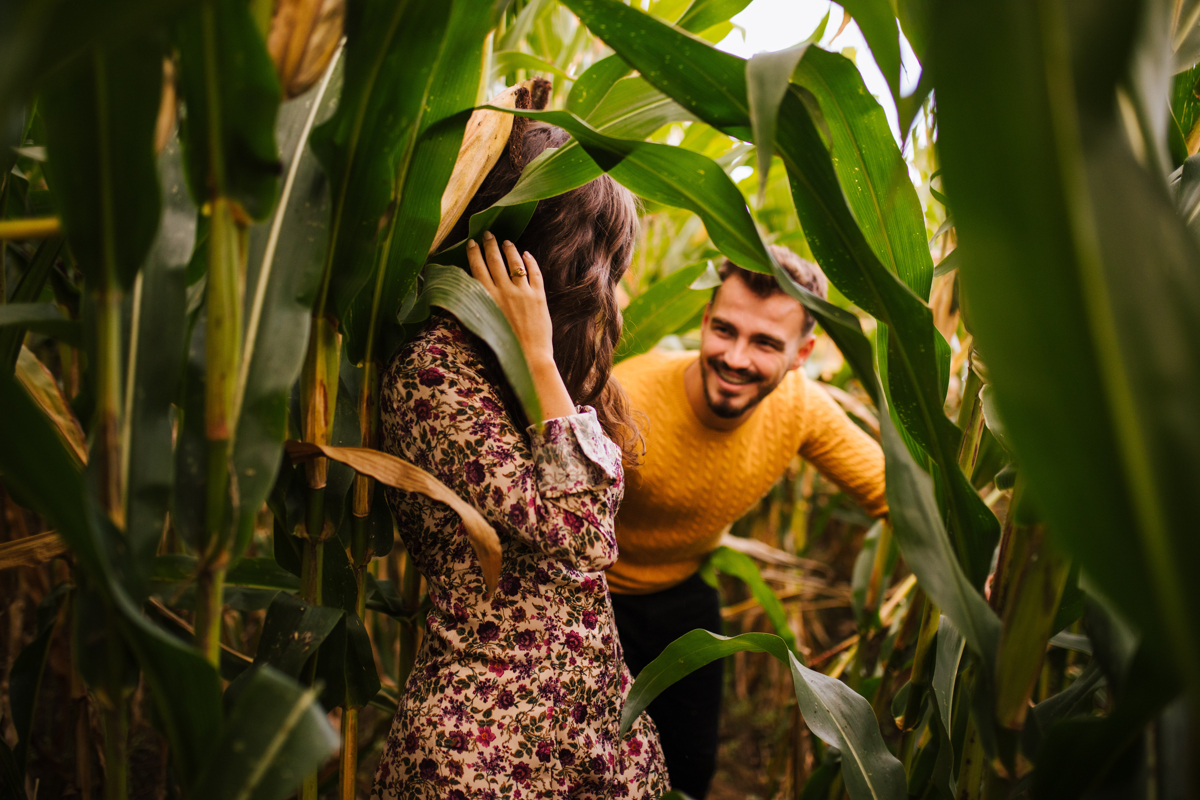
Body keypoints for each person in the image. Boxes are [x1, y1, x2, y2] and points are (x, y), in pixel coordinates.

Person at [371, 122, 670, 800]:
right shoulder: (437, 372)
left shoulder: (525, 379)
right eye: (600, 268)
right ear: (537, 267)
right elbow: (585, 535)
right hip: (492, 748)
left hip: (581, 733)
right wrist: (536, 355)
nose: (608, 297)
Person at [608, 246, 888, 799]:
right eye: (726, 330)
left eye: (764, 343)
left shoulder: (801, 408)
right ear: (706, 322)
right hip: (591, 598)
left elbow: (898, 495)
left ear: (802, 352)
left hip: (683, 596)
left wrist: (980, 566)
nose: (736, 357)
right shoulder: (626, 397)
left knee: (690, 771)